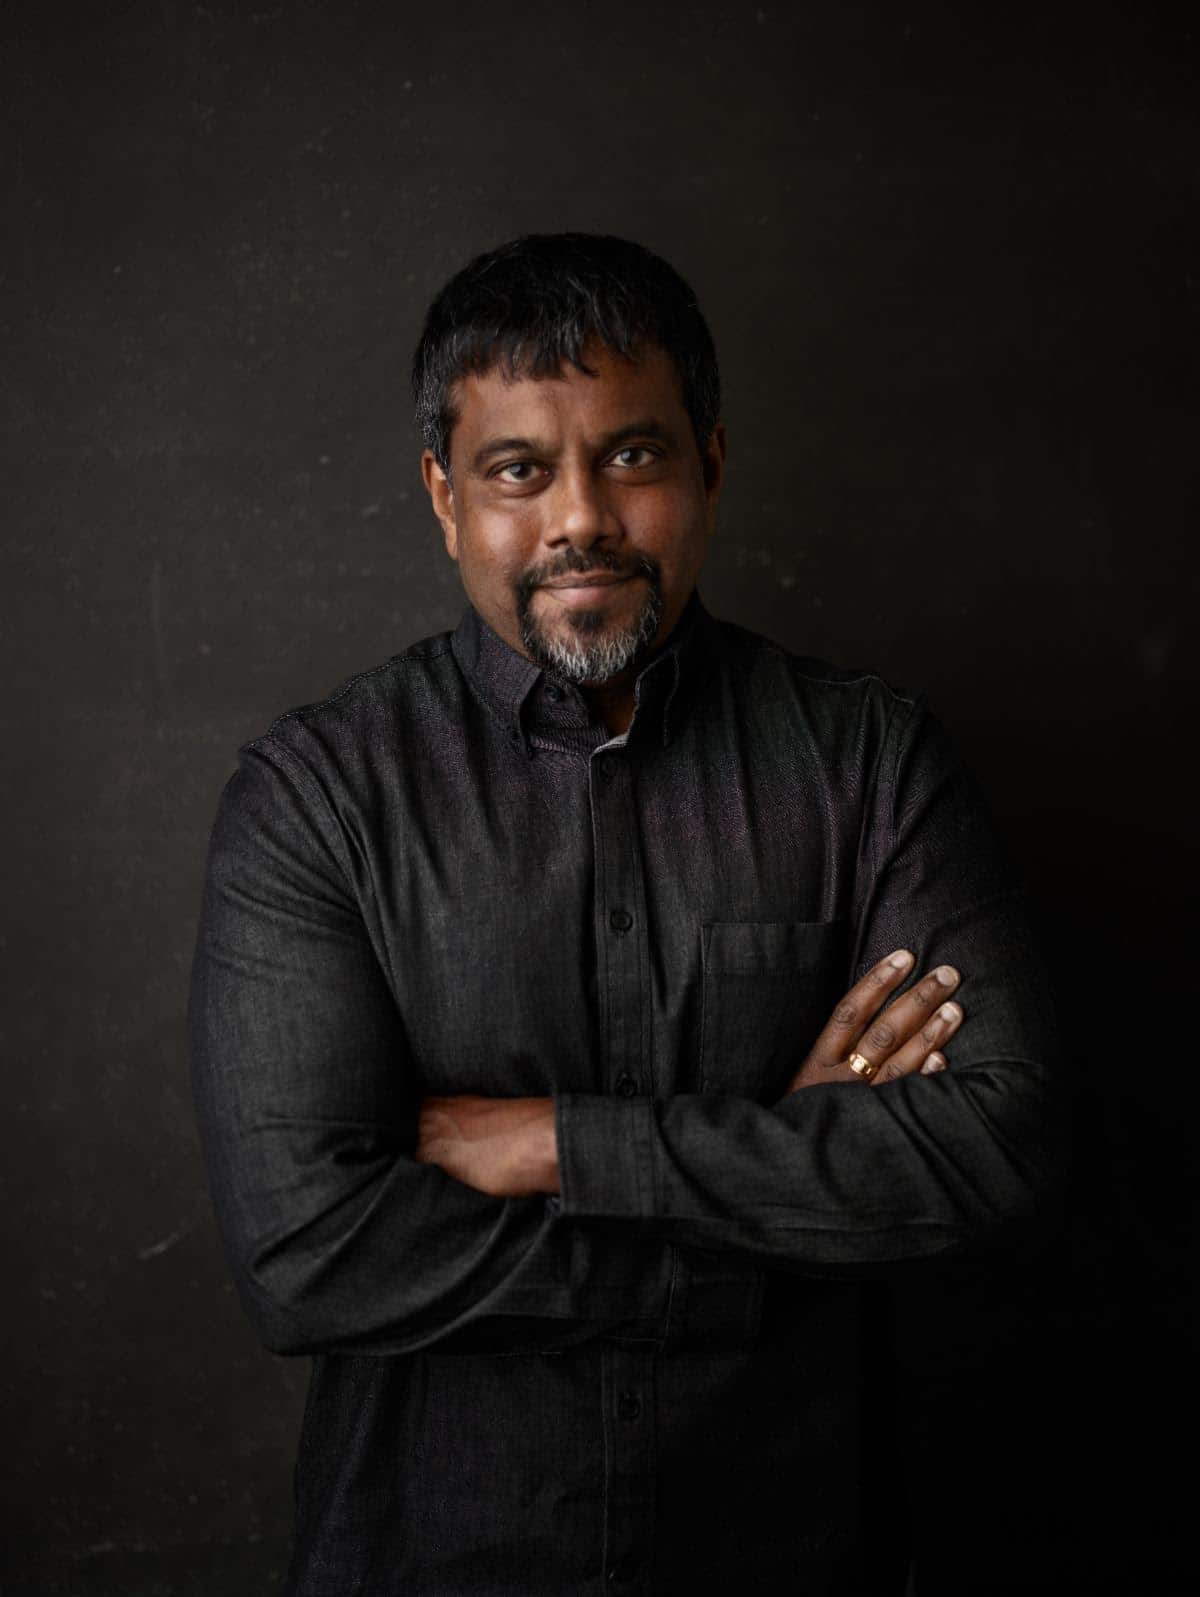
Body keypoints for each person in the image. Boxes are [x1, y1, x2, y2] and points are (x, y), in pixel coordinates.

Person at [189, 233, 1059, 1596]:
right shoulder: (322, 797)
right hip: (431, 1561)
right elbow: (311, 1255)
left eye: (632, 456)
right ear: (443, 493)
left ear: (710, 461)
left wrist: (548, 1143)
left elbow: (998, 1143)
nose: (579, 516)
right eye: (518, 469)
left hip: (804, 1551)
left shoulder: (865, 759)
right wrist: (764, 1212)